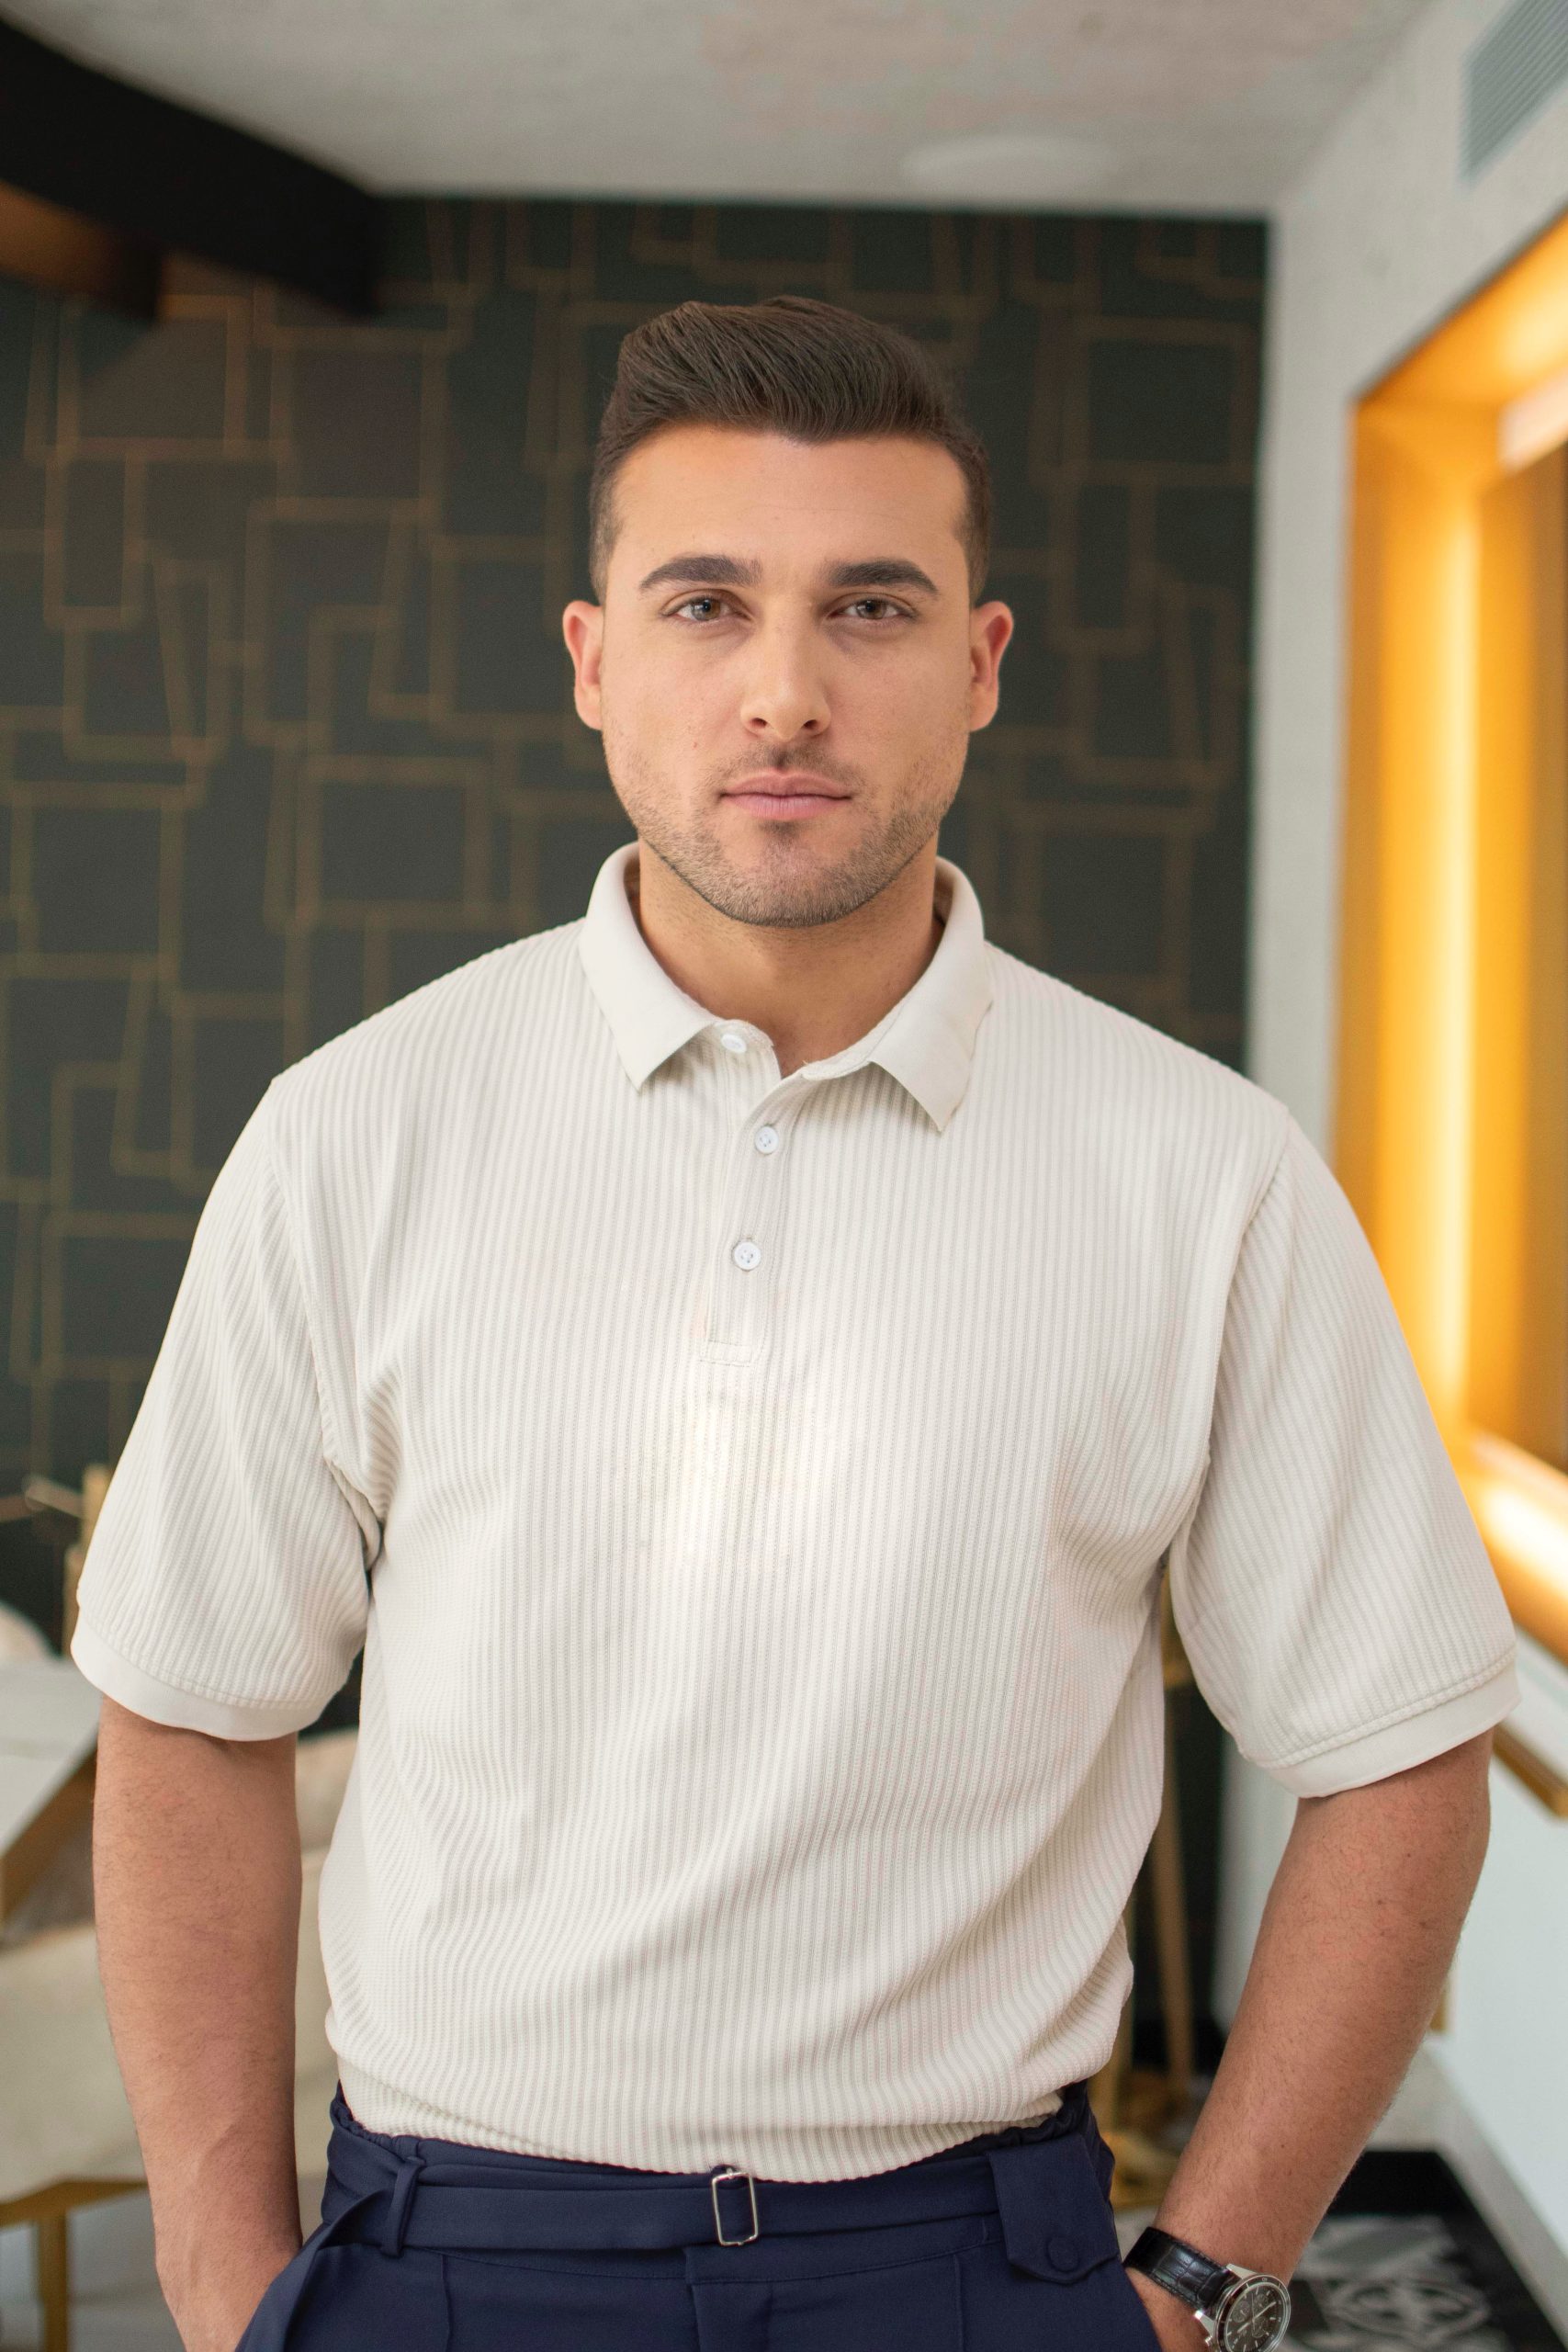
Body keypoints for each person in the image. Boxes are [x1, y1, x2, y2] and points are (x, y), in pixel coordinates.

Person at [72, 294, 1517, 2352]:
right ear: (594, 662)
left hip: (970, 2252)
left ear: (978, 665)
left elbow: (1401, 1750)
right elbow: (192, 1708)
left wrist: (1202, 2284)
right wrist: (228, 2291)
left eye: (868, 608)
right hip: (453, 2241)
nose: (783, 692)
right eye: (705, 605)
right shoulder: (354, 1130)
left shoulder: (1203, 1170)